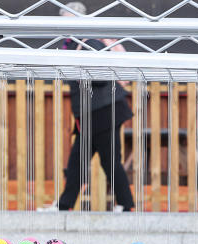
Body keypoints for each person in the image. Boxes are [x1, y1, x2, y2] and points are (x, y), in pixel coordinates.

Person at [47, 1, 135, 212]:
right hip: (95, 113)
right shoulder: (81, 42)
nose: (63, 25)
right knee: (81, 161)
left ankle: (125, 204)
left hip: (102, 112)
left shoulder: (89, 41)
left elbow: (99, 76)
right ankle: (65, 205)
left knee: (107, 161)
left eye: (66, 20)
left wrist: (79, 76)